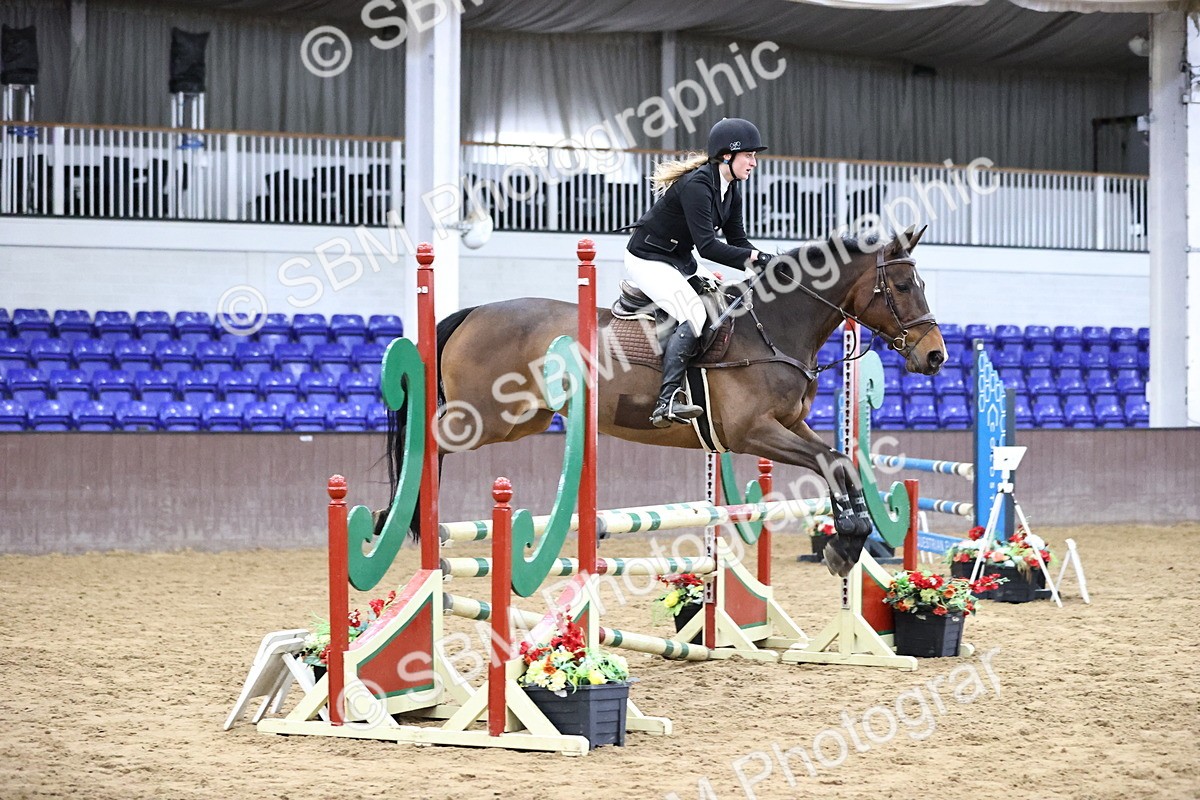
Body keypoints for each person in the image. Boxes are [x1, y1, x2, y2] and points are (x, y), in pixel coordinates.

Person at [625, 117, 773, 428]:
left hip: (679, 260)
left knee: (721, 300)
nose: (754, 163)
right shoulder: (697, 186)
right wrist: (755, 257)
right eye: (749, 156)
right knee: (693, 313)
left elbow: (738, 242)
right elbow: (707, 247)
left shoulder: (731, 190)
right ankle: (666, 402)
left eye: (755, 157)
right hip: (647, 258)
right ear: (728, 155)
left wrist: (762, 264)